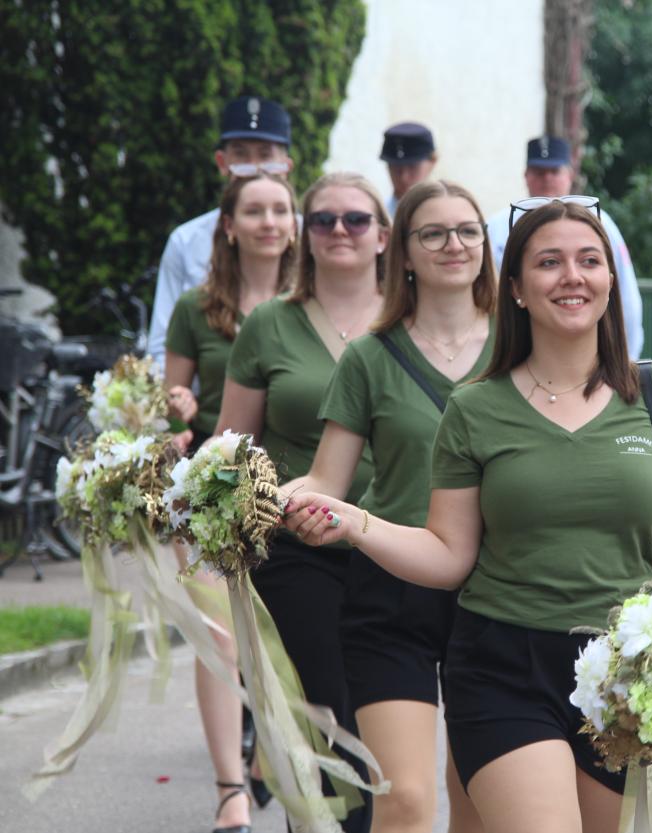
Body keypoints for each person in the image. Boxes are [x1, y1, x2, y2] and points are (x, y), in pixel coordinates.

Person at [283, 197, 652, 833]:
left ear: (610, 282)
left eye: (588, 261)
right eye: (549, 262)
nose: (572, 276)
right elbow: (449, 554)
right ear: (514, 287)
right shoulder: (475, 408)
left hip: (627, 672)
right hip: (502, 665)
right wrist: (356, 523)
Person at [282, 179, 494, 833]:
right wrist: (241, 496)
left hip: (495, 593)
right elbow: (325, 476)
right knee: (401, 799)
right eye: (433, 232)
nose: (452, 244)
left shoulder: (521, 348)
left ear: (487, 248)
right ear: (402, 251)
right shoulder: (370, 356)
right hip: (390, 589)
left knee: (477, 798)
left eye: (467, 231)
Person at [214, 171, 391, 833]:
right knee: (328, 713)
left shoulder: (416, 318)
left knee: (389, 721)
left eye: (356, 219)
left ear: (384, 234)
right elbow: (230, 449)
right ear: (303, 236)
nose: (340, 231)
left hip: (406, 545)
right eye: (323, 220)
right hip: (299, 550)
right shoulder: (269, 324)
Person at [164, 172, 298, 833]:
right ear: (229, 224)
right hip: (216, 487)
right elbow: (172, 405)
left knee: (281, 641)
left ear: (293, 223)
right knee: (220, 636)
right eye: (255, 210)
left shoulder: (314, 305)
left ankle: (269, 754)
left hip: (298, 492)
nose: (269, 220)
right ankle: (229, 791)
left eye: (280, 209)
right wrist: (178, 410)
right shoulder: (196, 307)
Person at [149, 95, 294, 366]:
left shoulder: (319, 234)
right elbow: (161, 347)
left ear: (286, 165)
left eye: (265, 154)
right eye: (241, 154)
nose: (254, 168)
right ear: (222, 162)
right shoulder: (186, 241)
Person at [486, 136, 643, 358]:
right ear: (526, 176)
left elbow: (626, 298)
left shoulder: (600, 222)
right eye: (539, 172)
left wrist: (627, 359)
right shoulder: (499, 227)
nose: (547, 179)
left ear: (570, 174)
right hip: (515, 348)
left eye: (555, 171)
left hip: (593, 353)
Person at [380, 122, 437, 216]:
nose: (404, 177)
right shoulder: (378, 218)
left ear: (433, 161)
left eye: (412, 167)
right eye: (396, 167)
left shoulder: (449, 215)